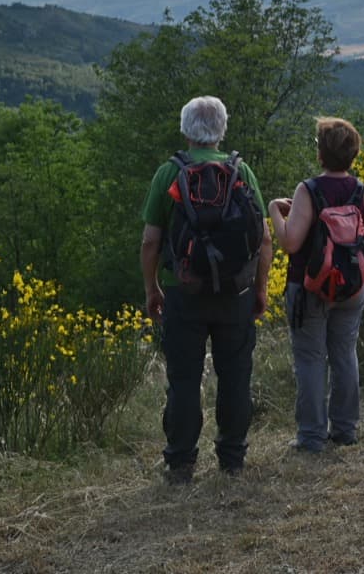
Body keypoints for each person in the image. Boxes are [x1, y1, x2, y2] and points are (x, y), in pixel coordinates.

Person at [141, 96, 271, 483]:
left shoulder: (168, 174)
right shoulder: (241, 171)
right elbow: (263, 238)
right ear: (222, 130)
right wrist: (261, 288)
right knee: (235, 375)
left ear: (186, 131)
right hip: (236, 293)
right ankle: (232, 459)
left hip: (183, 292)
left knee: (183, 378)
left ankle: (181, 462)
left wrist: (151, 289)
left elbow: (151, 241)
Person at [267, 116, 364, 452]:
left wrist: (275, 211)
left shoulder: (309, 190)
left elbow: (290, 243)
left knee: (311, 360)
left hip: (310, 289)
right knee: (345, 356)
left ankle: (312, 437)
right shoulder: (361, 191)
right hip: (351, 288)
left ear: (321, 155)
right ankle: (345, 430)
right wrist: (358, 278)